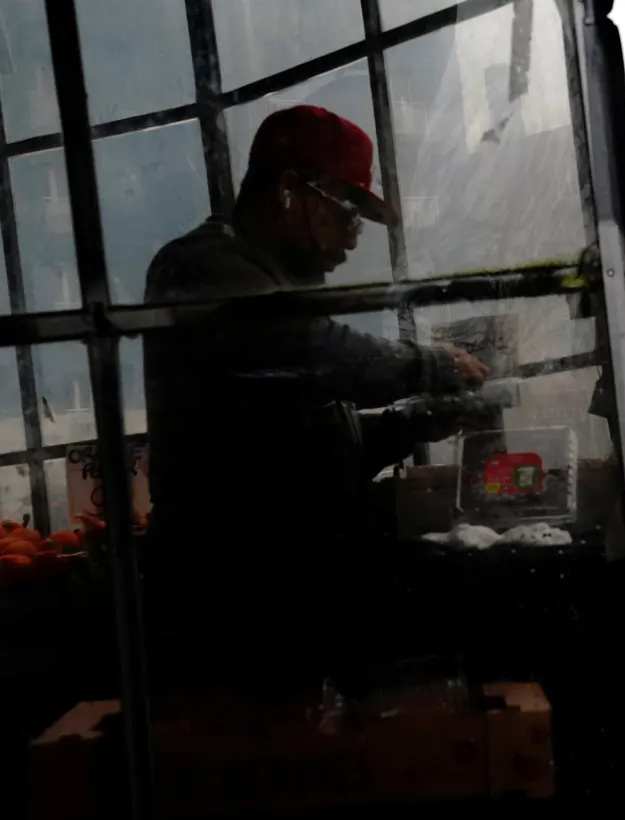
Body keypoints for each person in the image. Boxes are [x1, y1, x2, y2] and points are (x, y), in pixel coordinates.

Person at [141, 105, 489, 681]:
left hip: (283, 582)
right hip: (226, 594)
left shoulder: (266, 282)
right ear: (286, 191)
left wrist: (427, 420)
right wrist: (430, 365)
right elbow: (308, 352)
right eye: (347, 211)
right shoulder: (204, 268)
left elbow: (309, 440)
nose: (354, 236)